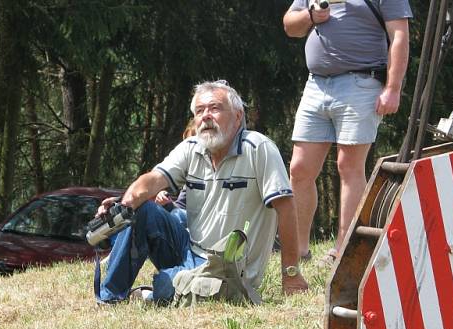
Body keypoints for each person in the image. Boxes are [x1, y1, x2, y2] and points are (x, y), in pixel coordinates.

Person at [96, 80, 308, 304]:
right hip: (189, 249)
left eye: (215, 108)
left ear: (237, 116)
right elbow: (152, 180)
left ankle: (158, 290)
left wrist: (291, 275)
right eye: (199, 111)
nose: (206, 116)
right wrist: (123, 205)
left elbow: (286, 208)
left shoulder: (259, 149)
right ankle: (110, 298)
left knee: (168, 285)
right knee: (142, 210)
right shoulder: (191, 147)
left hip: (227, 267)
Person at [283, 0, 412, 264]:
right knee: (299, 169)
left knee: (349, 167)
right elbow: (290, 26)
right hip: (316, 84)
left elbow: (399, 35)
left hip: (362, 83)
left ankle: (342, 253)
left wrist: (393, 88)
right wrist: (311, 16)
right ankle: (298, 252)